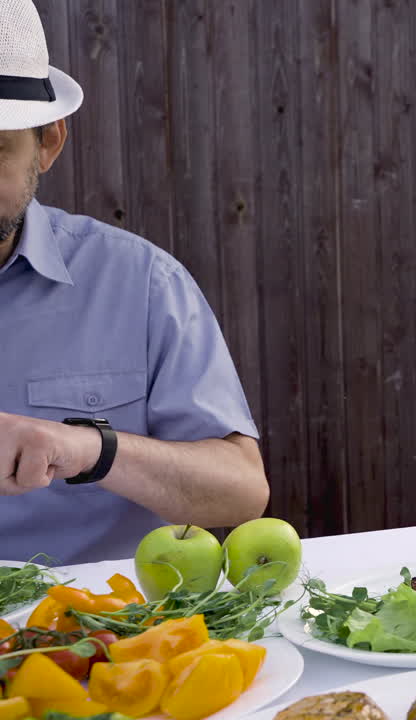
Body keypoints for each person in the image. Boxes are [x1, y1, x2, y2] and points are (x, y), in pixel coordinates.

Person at [0, 0, 267, 565]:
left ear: (47, 144)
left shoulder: (140, 283)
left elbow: (241, 492)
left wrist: (88, 448)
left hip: (97, 633)